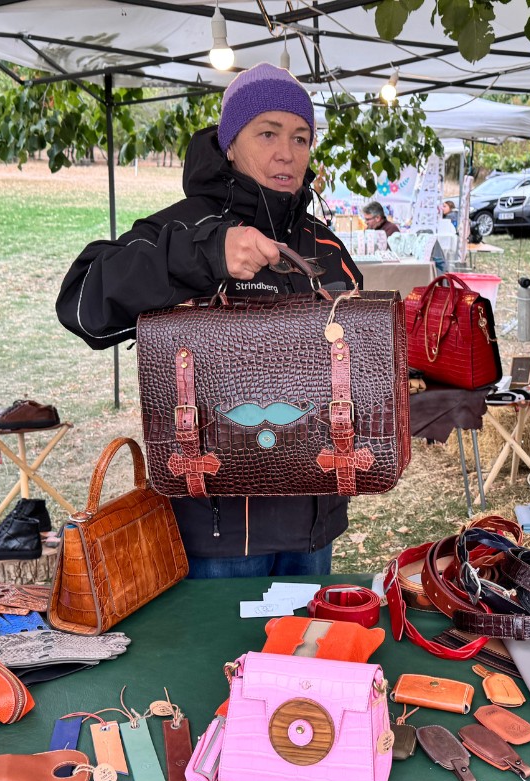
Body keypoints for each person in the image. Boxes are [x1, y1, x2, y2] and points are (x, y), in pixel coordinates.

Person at [56, 63, 363, 579]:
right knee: (212, 660)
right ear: (230, 143)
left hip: (313, 528)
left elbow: (357, 368)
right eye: (267, 133)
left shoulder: (326, 247)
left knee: (299, 658)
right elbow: (82, 301)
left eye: (300, 137)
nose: (286, 152)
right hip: (212, 536)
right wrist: (206, 254)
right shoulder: (182, 226)